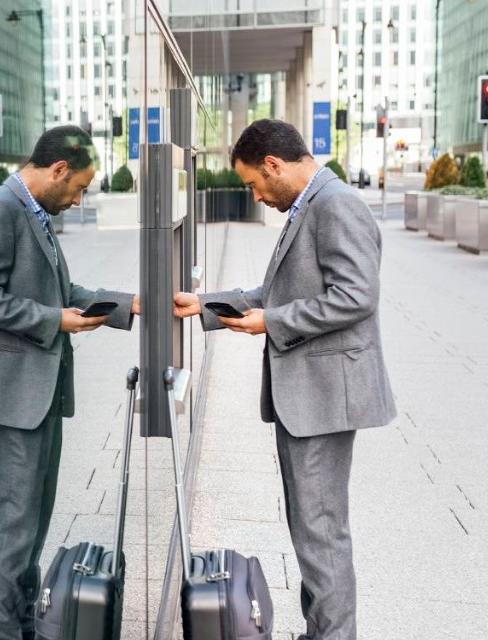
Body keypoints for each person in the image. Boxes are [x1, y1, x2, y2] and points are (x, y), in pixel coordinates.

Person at [0, 125, 186, 640]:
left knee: (31, 523)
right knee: (14, 524)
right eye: (78, 188)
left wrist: (131, 304)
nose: (79, 200)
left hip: (38, 390)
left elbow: (63, 289)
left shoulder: (34, 211)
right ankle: (0, 633)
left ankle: (22, 625)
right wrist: (54, 320)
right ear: (57, 170)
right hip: (13, 393)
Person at [174, 120, 396, 640]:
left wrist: (272, 323)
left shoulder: (335, 205)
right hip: (312, 395)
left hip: (322, 399)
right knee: (312, 529)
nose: (256, 194)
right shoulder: (311, 204)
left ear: (273, 164)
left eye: (254, 183)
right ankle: (322, 630)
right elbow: (275, 291)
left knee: (320, 533)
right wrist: (205, 305)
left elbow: (356, 296)